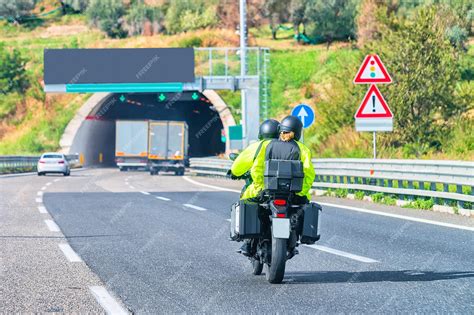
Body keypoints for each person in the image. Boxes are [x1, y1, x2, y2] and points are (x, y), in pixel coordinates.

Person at [238, 115, 315, 256]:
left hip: (267, 192)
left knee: (246, 203)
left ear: (281, 130)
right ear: (297, 132)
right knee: (302, 210)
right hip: (293, 195)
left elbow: (257, 168)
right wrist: (301, 192)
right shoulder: (303, 150)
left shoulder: (268, 145)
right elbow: (309, 174)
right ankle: (294, 237)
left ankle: (248, 243)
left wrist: (260, 186)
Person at [228, 119, 280, 195]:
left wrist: (234, 173)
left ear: (261, 133)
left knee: (245, 199)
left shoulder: (257, 146)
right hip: (289, 190)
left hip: (260, 190)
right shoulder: (290, 146)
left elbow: (240, 163)